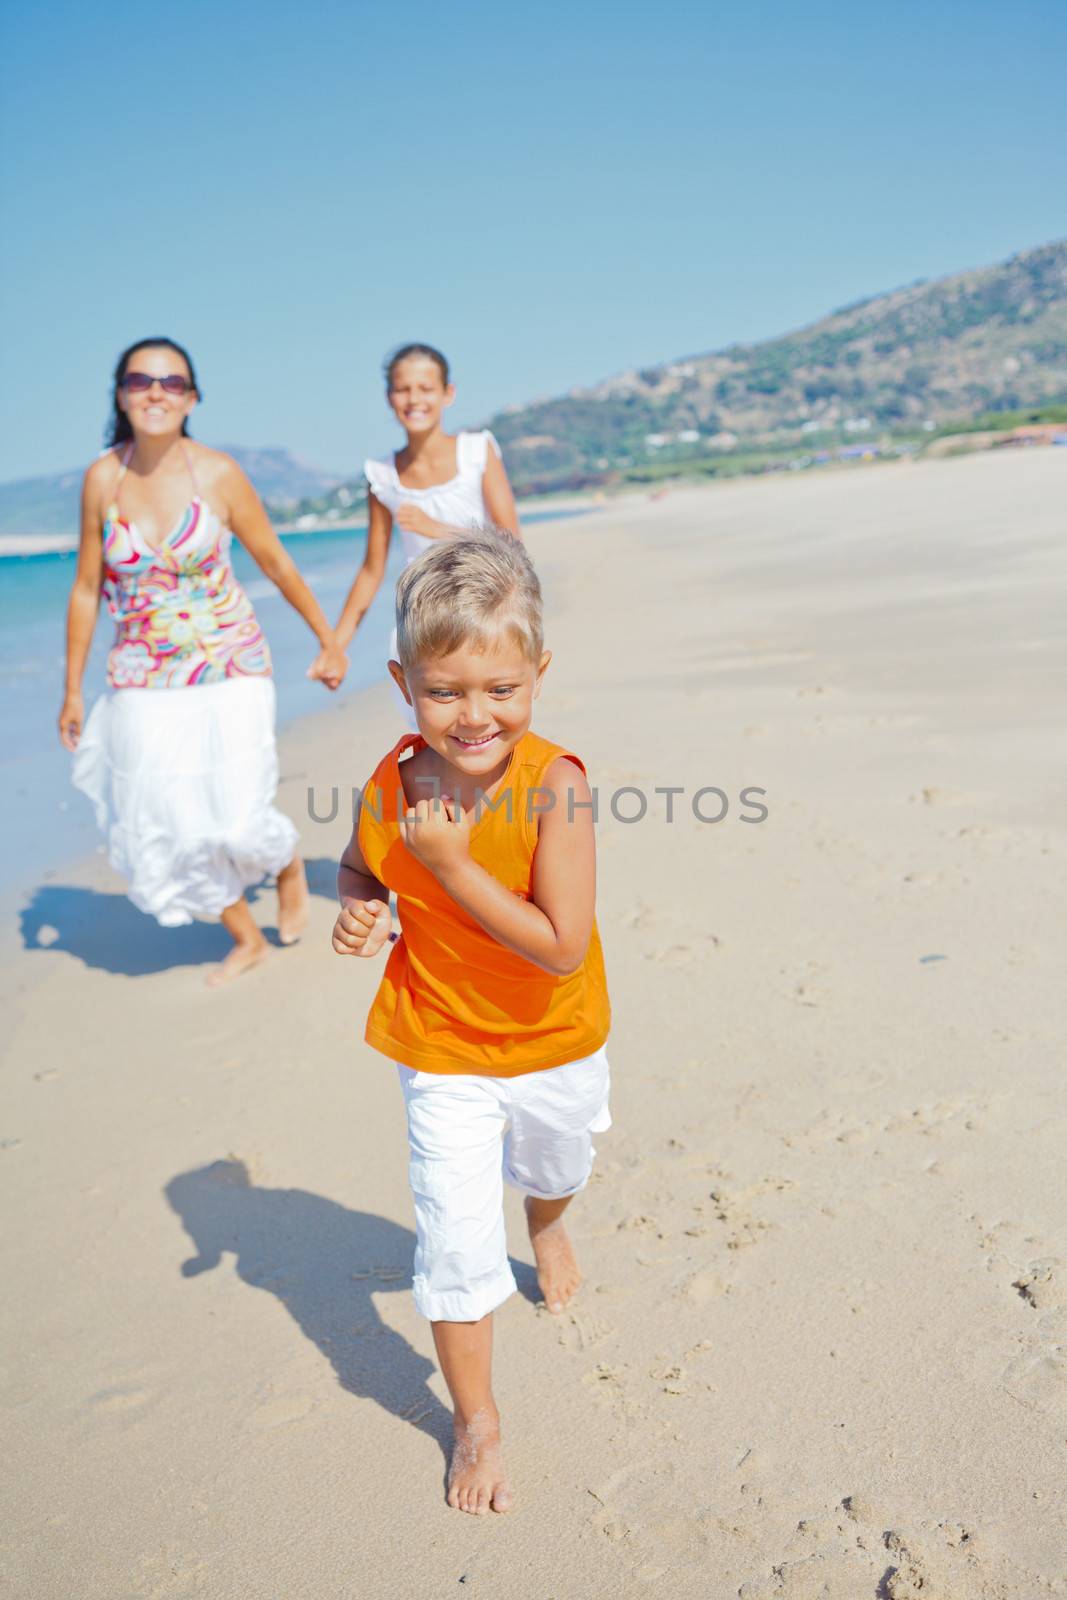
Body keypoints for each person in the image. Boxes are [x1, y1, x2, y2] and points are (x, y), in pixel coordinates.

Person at [331, 529, 611, 1514]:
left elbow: (561, 943)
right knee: (454, 1243)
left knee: (554, 1167)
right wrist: (359, 902)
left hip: (551, 1039)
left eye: (499, 688)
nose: (472, 714)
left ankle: (549, 1226)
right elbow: (363, 860)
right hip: (439, 1041)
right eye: (445, 690)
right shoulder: (395, 781)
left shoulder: (555, 786)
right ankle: (475, 1419)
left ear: (536, 671)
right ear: (405, 681)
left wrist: (451, 867)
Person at [60, 336, 348, 986]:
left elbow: (273, 559)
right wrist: (72, 691)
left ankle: (287, 863)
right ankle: (246, 938)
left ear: (191, 398)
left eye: (172, 381)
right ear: (121, 392)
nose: (156, 391)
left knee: (238, 820)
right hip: (140, 677)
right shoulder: (102, 479)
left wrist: (328, 639)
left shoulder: (216, 473)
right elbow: (85, 588)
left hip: (230, 667)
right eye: (141, 380)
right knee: (173, 825)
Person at [333, 344, 520, 697]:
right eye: (403, 389)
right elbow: (371, 571)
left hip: (485, 620)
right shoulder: (382, 474)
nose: (414, 398)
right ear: (389, 397)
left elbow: (513, 543)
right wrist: (335, 646)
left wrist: (440, 531)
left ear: (448, 394)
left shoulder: (477, 451)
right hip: (419, 628)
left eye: (426, 388)